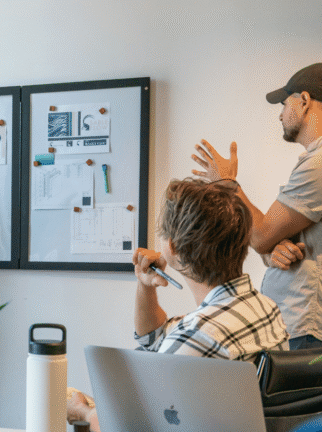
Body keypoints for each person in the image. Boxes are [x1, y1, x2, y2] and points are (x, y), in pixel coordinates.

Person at [68, 178, 289, 431]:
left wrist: (87, 414)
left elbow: (140, 427)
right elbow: (153, 340)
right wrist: (146, 286)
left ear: (172, 247)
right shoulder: (265, 308)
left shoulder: (199, 335)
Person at [191, 63, 322, 350]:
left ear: (303, 101)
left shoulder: (318, 164)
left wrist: (227, 183)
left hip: (307, 330)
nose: (280, 114)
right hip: (299, 326)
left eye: (284, 104)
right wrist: (273, 251)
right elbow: (269, 240)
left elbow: (260, 234)